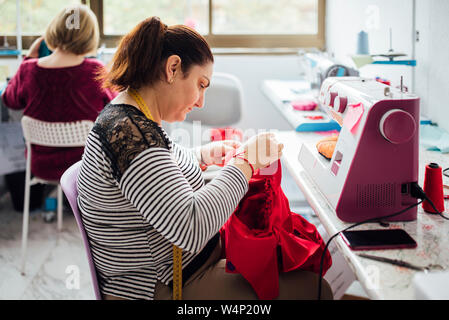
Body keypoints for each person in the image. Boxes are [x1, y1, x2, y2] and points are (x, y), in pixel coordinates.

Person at [77, 16, 333, 300]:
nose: (201, 101)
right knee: (316, 289)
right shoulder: (129, 134)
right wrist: (244, 163)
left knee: (290, 257)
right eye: (200, 84)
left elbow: (158, 168)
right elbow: (192, 228)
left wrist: (200, 155)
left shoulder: (131, 115)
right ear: (172, 68)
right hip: (165, 286)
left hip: (186, 266)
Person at [1, 4, 116, 183]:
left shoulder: (28, 69)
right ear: (89, 36)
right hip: (86, 166)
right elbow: (117, 108)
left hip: (40, 165)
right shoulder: (96, 71)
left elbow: (9, 100)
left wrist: (29, 57)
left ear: (53, 31)